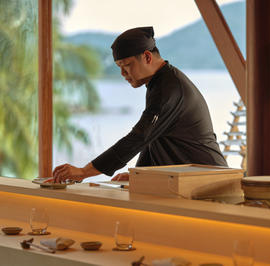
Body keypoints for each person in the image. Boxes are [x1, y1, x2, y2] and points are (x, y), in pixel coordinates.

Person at [53, 26, 227, 183]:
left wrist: (84, 172)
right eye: (119, 67)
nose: (122, 73)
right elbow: (153, 138)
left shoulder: (169, 88)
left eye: (126, 65)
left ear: (147, 57)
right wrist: (140, 174)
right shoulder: (160, 82)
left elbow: (140, 137)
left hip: (210, 180)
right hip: (192, 179)